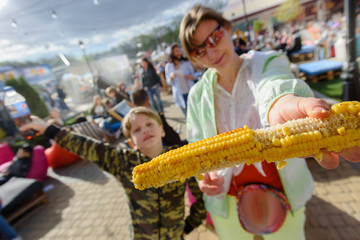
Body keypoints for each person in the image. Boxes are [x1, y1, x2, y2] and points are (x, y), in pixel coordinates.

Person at [179, 5, 360, 240]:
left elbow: (273, 85)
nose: (211, 52)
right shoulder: (196, 95)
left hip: (282, 188)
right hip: (228, 198)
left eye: (214, 37)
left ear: (227, 27)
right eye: (199, 51)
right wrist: (204, 177)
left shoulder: (267, 62)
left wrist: (281, 103)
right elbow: (196, 143)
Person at [20, 108, 206, 239]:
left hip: (174, 236)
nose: (145, 130)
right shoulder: (123, 162)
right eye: (137, 130)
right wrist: (48, 129)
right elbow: (88, 147)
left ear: (162, 130)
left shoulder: (181, 159)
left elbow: (201, 196)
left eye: (149, 124)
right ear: (132, 141)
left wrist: (189, 224)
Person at [165, 44, 196, 117]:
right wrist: (171, 78)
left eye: (179, 50)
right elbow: (168, 82)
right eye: (176, 51)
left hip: (189, 90)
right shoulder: (168, 66)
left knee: (194, 112)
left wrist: (191, 76)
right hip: (179, 93)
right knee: (186, 114)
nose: (178, 53)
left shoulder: (186, 62)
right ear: (172, 53)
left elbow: (194, 75)